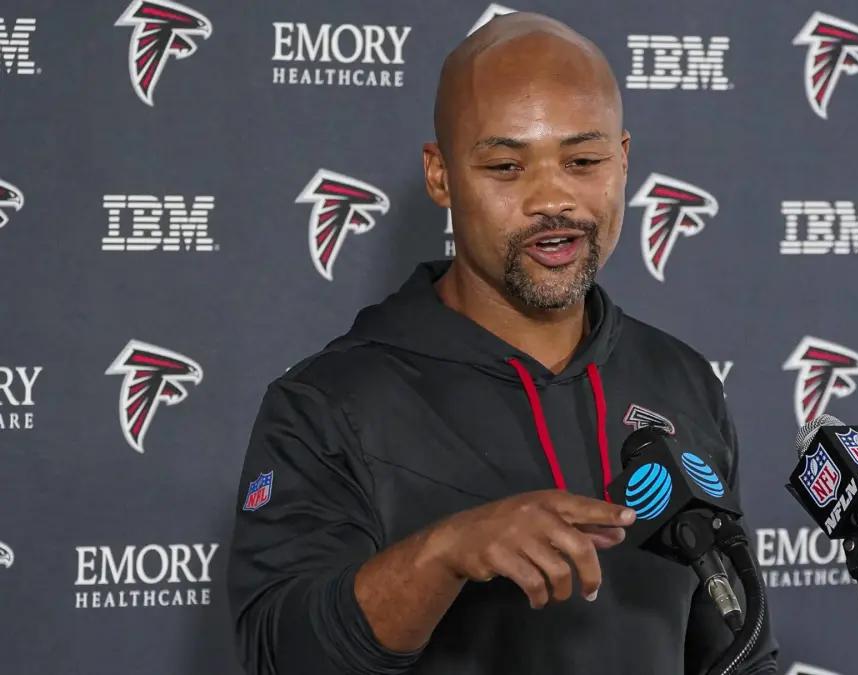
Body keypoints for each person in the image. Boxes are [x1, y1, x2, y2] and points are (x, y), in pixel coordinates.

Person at [227, 12, 778, 675]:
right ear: (440, 175)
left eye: (583, 160)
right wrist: (443, 554)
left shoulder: (682, 380)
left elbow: (740, 654)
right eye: (506, 166)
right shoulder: (328, 402)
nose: (552, 198)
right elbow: (277, 654)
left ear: (623, 160)